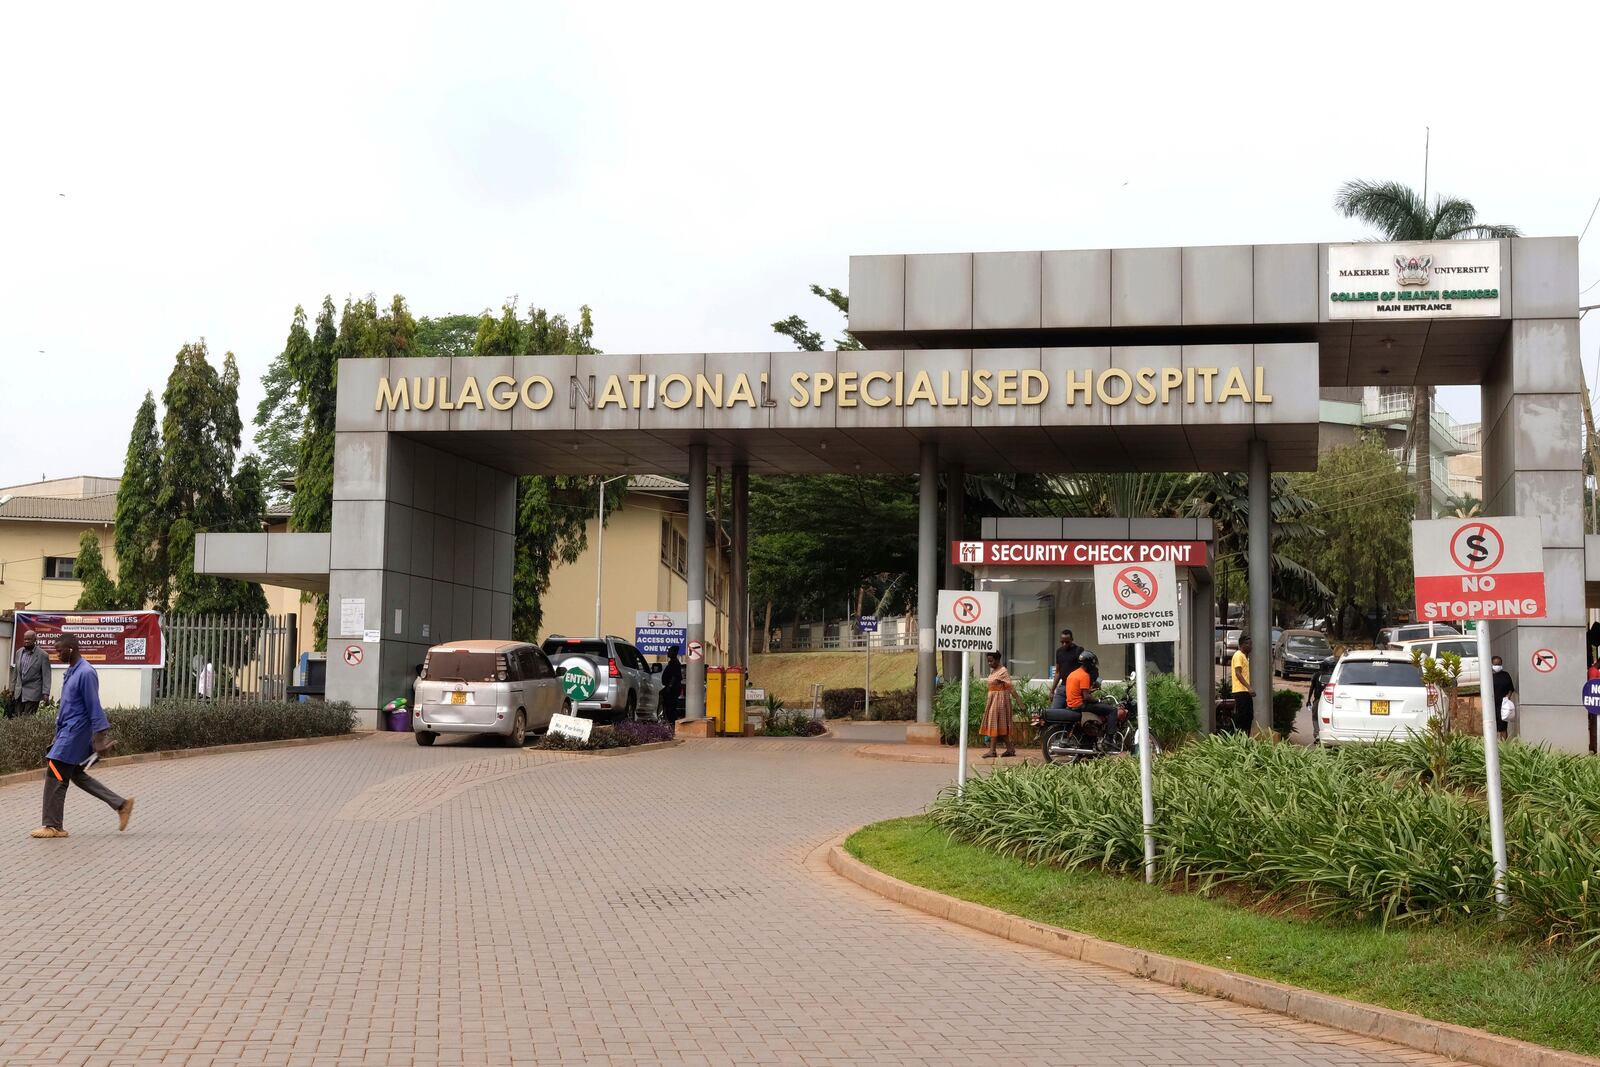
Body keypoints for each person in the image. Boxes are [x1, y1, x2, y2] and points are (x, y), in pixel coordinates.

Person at [31, 635, 134, 839]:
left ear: (71, 648)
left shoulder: (86, 673)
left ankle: (53, 826)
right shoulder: (72, 671)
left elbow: (94, 707)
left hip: (75, 733)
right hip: (67, 731)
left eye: (60, 651)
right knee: (76, 774)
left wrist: (98, 739)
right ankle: (121, 805)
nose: (57, 654)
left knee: (55, 771)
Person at [980, 651, 1015, 758]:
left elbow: (1010, 688)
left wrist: (1020, 703)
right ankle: (1010, 749)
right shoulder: (994, 671)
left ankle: (992, 751)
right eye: (988, 661)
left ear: (997, 660)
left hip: (999, 702)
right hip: (993, 700)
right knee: (998, 725)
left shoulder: (1003, 671)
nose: (989, 663)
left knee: (994, 723)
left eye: (991, 661)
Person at [9, 630, 51, 717]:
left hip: (33, 693)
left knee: (28, 720)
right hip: (19, 693)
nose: (26, 641)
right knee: (17, 719)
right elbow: (15, 672)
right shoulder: (19, 652)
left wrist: (46, 693)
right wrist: (12, 689)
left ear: (35, 640)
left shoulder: (43, 655)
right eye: (25, 639)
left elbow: (46, 676)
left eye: (29, 639)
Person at [1049, 629, 1084, 710]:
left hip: (1075, 687)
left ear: (1072, 640)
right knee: (1054, 711)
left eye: (1067, 642)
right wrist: (1052, 691)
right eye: (1062, 642)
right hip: (1063, 686)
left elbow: (1084, 670)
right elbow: (1058, 672)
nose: (1064, 644)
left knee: (1073, 712)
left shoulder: (1078, 650)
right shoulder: (1059, 651)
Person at [1231, 633, 1255, 736]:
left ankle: (1246, 738)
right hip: (1241, 691)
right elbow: (1238, 673)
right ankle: (1240, 738)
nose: (1251, 646)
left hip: (1244, 692)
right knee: (1243, 717)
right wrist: (1249, 687)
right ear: (1243, 644)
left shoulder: (1244, 657)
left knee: (1248, 716)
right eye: (1249, 644)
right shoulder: (1238, 655)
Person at [1490, 655, 1516, 737]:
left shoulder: (1505, 675)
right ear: (1491, 664)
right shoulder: (1488, 676)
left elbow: (1511, 688)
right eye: (1495, 664)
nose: (1497, 666)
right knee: (1492, 726)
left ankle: (1504, 745)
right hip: (1492, 705)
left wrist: (1508, 697)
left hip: (1503, 704)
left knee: (1503, 727)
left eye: (1499, 664)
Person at [660, 647, 684, 721]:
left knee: (670, 706)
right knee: (669, 706)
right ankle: (670, 720)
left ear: (674, 653)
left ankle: (672, 721)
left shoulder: (674, 663)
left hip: (673, 689)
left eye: (670, 651)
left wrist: (669, 687)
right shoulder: (672, 662)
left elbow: (674, 676)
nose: (668, 653)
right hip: (671, 688)